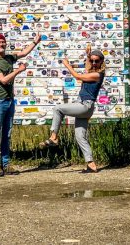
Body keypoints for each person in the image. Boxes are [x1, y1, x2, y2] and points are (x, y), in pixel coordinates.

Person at [40, 44, 105, 173]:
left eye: (96, 61)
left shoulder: (98, 75)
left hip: (85, 106)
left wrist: (67, 65)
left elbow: (78, 77)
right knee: (80, 136)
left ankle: (54, 137)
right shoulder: (91, 70)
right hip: (84, 107)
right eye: (92, 60)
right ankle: (91, 164)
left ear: (101, 62)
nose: (93, 63)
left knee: (58, 109)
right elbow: (87, 66)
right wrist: (88, 55)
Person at [0, 32, 41, 177]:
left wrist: (35, 42)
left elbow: (24, 53)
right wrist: (18, 70)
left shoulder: (9, 58)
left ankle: (6, 164)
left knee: (7, 134)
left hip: (9, 100)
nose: (1, 44)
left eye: (3, 42)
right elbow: (3, 80)